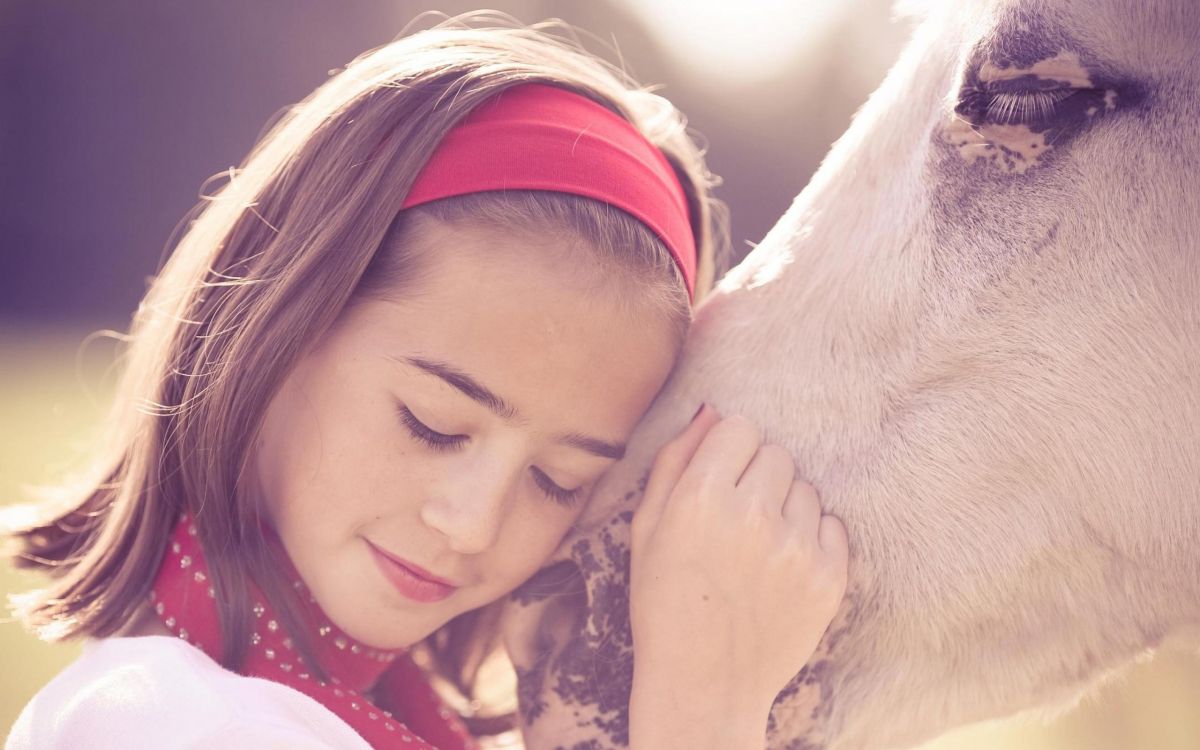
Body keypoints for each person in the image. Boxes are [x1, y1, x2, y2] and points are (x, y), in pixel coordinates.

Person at [2, 13, 848, 750]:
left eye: (560, 482)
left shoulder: (357, 709)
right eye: (433, 423)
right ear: (273, 326)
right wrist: (705, 711)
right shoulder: (174, 726)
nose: (473, 525)